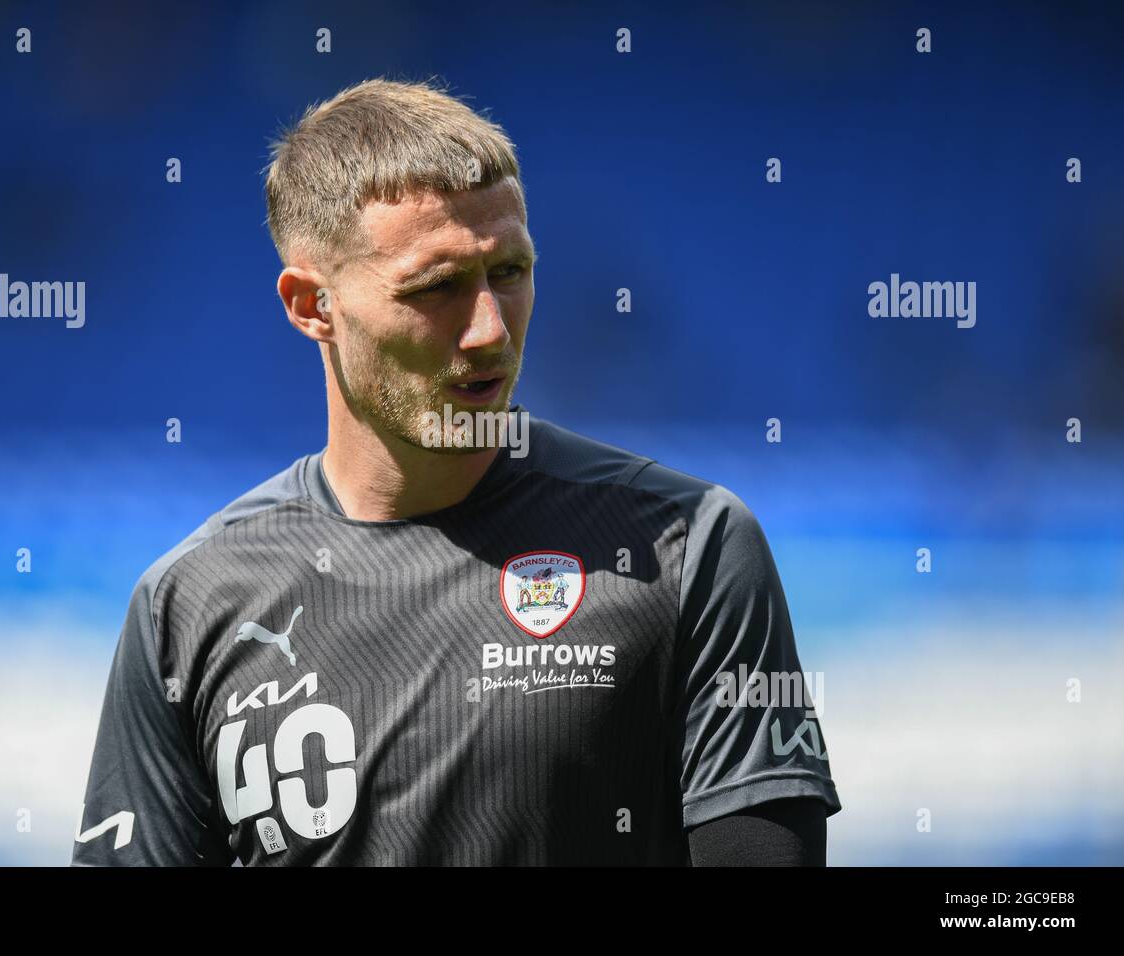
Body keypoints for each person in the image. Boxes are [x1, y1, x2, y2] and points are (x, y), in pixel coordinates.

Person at [72, 77, 840, 866]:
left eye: (509, 271)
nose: (489, 331)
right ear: (311, 306)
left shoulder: (689, 548)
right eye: (437, 287)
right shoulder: (188, 605)